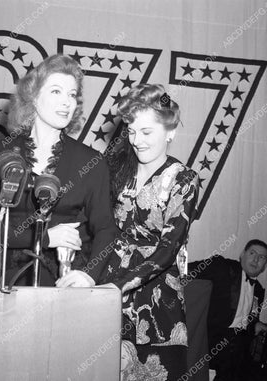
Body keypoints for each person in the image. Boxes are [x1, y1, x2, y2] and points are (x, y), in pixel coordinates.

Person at [58, 83, 199, 380]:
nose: (137, 141)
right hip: (107, 293)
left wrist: (117, 285)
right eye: (132, 132)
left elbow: (168, 250)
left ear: (170, 131)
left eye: (146, 132)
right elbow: (97, 226)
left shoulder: (184, 179)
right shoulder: (116, 170)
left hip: (157, 300)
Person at [0, 54, 117, 286]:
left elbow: (106, 229)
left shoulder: (91, 162)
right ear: (32, 97)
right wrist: (45, 236)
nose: (66, 102)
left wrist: (89, 275)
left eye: (72, 95)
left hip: (63, 280)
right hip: (4, 276)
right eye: (56, 91)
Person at [187, 239, 267, 381]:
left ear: (265, 266)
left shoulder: (259, 289)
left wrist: (256, 324)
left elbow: (251, 318)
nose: (256, 259)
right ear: (242, 255)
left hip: (242, 342)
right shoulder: (223, 268)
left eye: (262, 258)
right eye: (252, 253)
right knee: (231, 362)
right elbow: (187, 269)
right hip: (214, 338)